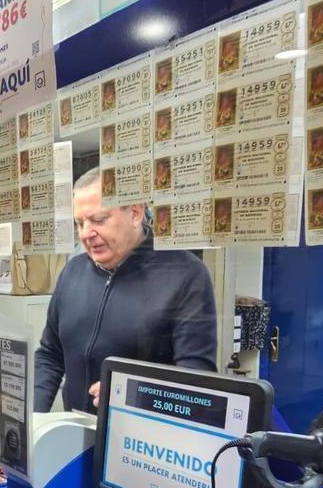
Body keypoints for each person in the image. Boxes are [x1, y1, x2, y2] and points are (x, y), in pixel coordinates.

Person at [34, 168, 218, 413]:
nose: (86, 233)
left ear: (134, 213)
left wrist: (131, 393)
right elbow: (50, 355)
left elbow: (198, 380)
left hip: (143, 442)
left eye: (98, 220)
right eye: (80, 223)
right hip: (76, 435)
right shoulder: (73, 272)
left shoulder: (185, 274)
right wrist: (31, 421)